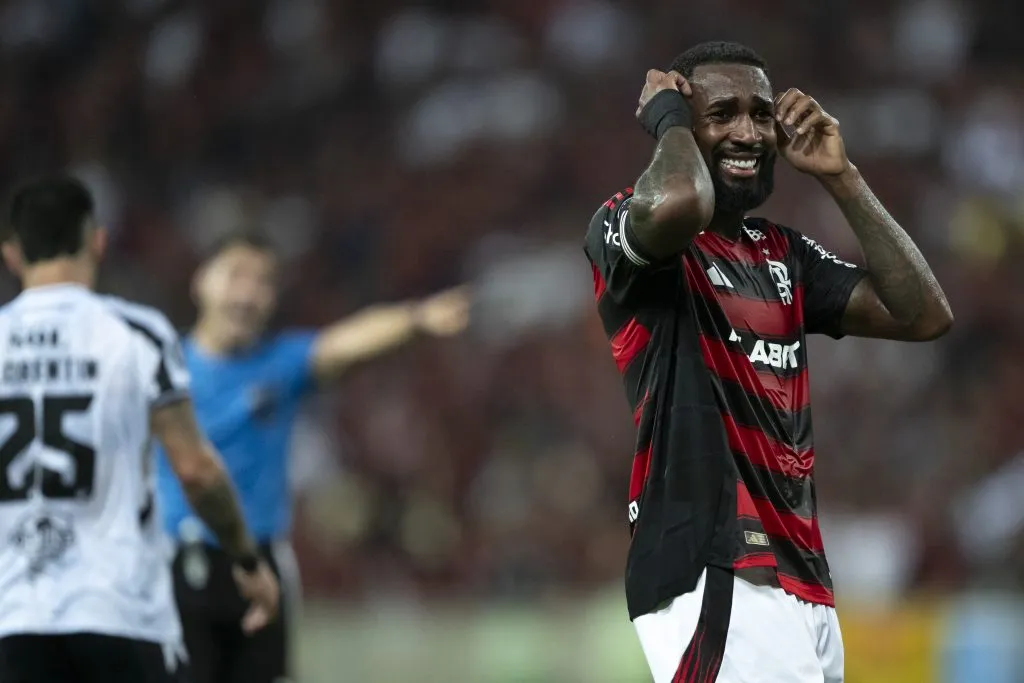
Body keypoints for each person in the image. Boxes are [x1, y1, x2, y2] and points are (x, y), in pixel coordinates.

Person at [584, 41, 953, 683]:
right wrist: (668, 118)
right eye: (721, 113)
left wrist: (843, 178)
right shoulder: (628, 225)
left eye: (760, 113)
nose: (748, 132)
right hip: (714, 564)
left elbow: (923, 314)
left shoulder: (783, 252)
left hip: (800, 574)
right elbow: (678, 202)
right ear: (683, 120)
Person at [155, 229, 469, 683]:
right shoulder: (162, 366)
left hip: (261, 561)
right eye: (236, 276)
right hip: (175, 563)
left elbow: (345, 342)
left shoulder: (280, 364)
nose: (248, 293)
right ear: (200, 280)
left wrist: (416, 319)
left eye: (262, 281)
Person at [0, 176, 280, 683]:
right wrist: (246, 557)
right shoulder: (136, 335)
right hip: (119, 612)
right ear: (98, 242)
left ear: (11, 254)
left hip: (12, 615)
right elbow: (195, 470)